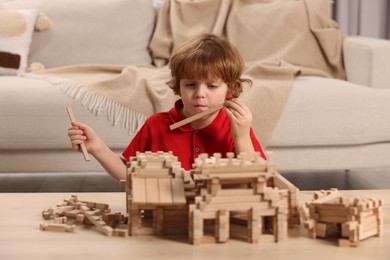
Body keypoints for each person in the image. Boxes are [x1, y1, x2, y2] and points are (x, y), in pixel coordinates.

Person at [68, 33, 266, 182]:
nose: (200, 94)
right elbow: (130, 179)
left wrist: (241, 137)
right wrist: (97, 147)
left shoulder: (235, 128)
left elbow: (259, 179)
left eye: (212, 86)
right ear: (178, 86)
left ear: (231, 89)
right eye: (190, 84)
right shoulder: (156, 125)